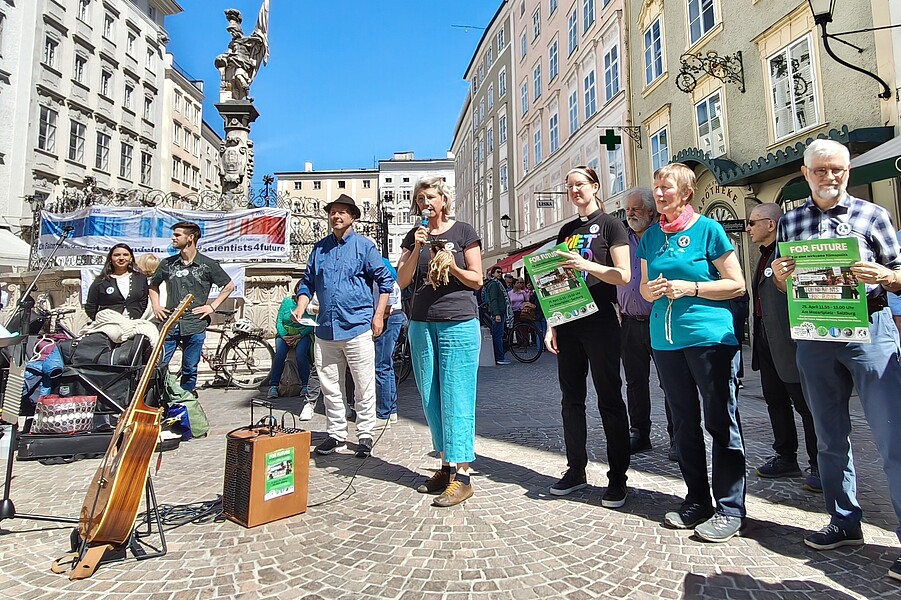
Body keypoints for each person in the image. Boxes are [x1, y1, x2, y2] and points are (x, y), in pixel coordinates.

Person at [772, 139, 901, 582]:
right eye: (822, 170)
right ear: (806, 173)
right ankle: (844, 521)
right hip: (815, 336)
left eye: (839, 170)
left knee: (894, 438)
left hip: (871, 331)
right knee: (829, 438)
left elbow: (900, 273)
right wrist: (778, 275)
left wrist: (886, 275)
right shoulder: (790, 221)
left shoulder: (873, 215)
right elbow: (782, 280)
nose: (831, 177)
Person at [636, 162, 747, 543]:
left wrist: (692, 288)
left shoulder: (709, 230)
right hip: (665, 341)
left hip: (708, 339)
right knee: (683, 424)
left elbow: (737, 284)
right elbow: (645, 288)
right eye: (657, 188)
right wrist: (649, 291)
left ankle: (731, 508)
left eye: (667, 188)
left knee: (720, 421)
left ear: (686, 193)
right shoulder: (650, 237)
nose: (659, 194)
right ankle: (697, 499)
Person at [545, 165, 632, 509]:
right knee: (571, 399)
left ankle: (618, 478)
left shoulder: (611, 225)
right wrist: (551, 323)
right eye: (570, 187)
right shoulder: (566, 230)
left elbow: (623, 275)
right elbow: (553, 281)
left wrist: (588, 267)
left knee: (610, 398)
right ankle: (576, 469)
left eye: (580, 184)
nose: (575, 191)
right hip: (568, 321)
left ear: (594, 186)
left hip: (601, 320)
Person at [397, 176, 482, 507]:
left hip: (458, 323)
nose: (425, 203)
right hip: (421, 324)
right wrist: (417, 247)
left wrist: (453, 267)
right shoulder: (414, 236)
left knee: (456, 395)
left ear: (443, 200)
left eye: (431, 197)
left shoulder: (462, 233)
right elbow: (402, 279)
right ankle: (446, 466)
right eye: (420, 199)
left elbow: (477, 279)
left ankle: (463, 475)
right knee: (431, 397)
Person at [291, 194, 393, 459]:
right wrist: (301, 307)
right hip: (325, 327)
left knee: (363, 383)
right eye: (333, 212)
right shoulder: (319, 249)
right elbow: (307, 282)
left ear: (353, 217)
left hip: (357, 325)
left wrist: (379, 314)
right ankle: (336, 434)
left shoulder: (365, 247)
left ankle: (365, 434)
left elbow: (385, 283)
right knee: (330, 385)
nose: (336, 216)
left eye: (342, 212)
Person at [746, 203, 820, 492]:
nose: (748, 228)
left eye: (753, 223)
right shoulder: (763, 255)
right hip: (766, 339)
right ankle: (785, 455)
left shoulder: (789, 254)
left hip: (790, 341)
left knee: (806, 405)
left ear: (771, 225)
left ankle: (818, 464)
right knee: (775, 399)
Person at [616, 188, 674, 459]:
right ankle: (639, 433)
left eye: (636, 209)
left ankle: (678, 436)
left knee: (670, 380)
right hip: (629, 322)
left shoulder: (662, 237)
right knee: (634, 382)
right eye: (628, 209)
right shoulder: (620, 240)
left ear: (651, 211)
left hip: (661, 318)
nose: (630, 213)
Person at [149, 222, 234, 394]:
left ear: (190, 238)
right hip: (170, 323)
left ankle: (186, 399)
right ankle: (158, 397)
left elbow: (229, 286)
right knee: (159, 364)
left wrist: (212, 306)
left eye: (177, 235)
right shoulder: (168, 263)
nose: (173, 238)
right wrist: (156, 306)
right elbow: (153, 286)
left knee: (189, 367)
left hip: (195, 323)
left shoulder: (207, 264)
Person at [268, 280, 315, 421]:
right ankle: (274, 385)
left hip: (302, 334)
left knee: (301, 354)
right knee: (280, 355)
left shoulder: (311, 304)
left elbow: (311, 323)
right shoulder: (287, 302)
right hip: (286, 334)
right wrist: (285, 336)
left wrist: (299, 336)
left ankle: (305, 384)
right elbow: (279, 321)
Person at [375, 258, 406, 428]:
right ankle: (390, 411)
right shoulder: (383, 263)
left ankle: (384, 413)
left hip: (390, 316)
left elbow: (390, 295)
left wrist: (379, 316)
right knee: (385, 365)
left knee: (381, 365)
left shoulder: (379, 264)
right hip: (393, 316)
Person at [84, 243, 149, 320]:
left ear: (131, 258)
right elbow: (91, 306)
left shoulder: (140, 278)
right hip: (108, 324)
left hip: (134, 324)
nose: (121, 258)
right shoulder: (101, 281)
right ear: (110, 259)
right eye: (117, 255)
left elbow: (144, 301)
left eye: (125, 255)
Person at [483, 266, 512, 365]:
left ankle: (500, 356)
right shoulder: (493, 285)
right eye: (498, 272)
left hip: (501, 311)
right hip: (498, 312)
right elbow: (493, 300)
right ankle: (499, 357)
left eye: (501, 272)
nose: (500, 274)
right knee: (498, 335)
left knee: (499, 334)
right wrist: (497, 314)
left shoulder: (498, 283)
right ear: (493, 273)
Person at [507, 278, 530, 345]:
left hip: (522, 311)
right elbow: (509, 302)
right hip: (514, 311)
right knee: (516, 327)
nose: (519, 284)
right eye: (518, 283)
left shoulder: (523, 292)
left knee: (524, 327)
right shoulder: (510, 293)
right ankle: (519, 342)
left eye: (520, 283)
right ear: (513, 284)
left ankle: (525, 342)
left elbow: (527, 300)